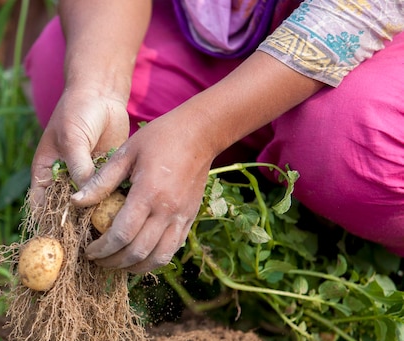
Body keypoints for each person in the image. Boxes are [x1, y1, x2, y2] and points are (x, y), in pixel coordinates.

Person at [23, 0, 404, 274]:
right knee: (65, 69)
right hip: (226, 24)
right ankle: (228, 165)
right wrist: (97, 86)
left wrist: (200, 133)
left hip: (373, 32)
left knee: (355, 142)